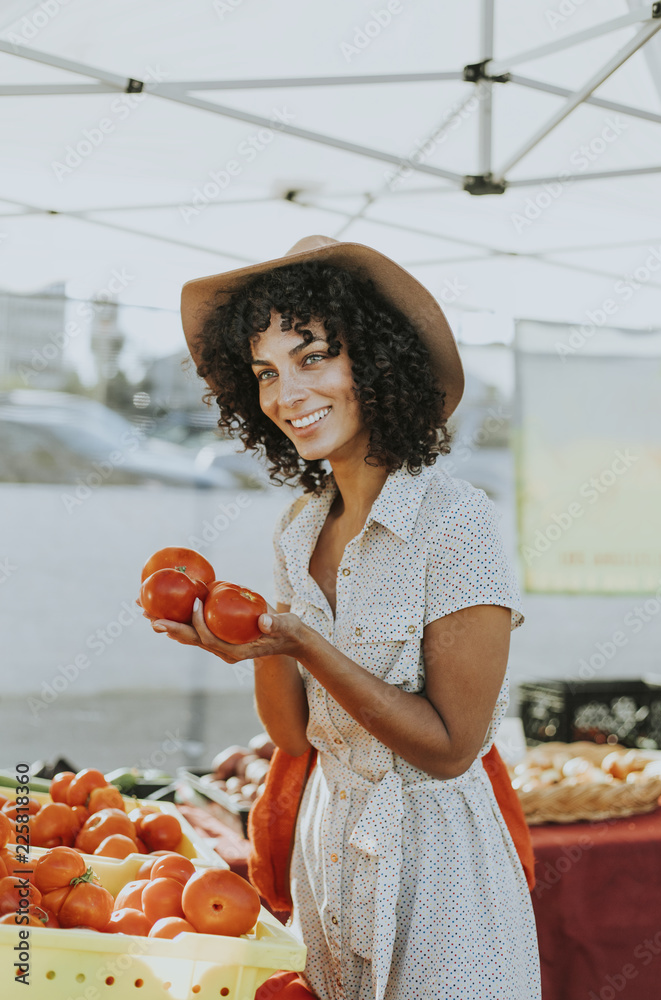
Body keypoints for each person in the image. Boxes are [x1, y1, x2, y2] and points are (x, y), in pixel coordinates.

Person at [149, 235, 541, 999]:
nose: (285, 392)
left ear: (378, 362)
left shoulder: (453, 522)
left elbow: (450, 748)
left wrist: (301, 641)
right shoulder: (300, 526)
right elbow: (294, 736)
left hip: (438, 878)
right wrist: (259, 640)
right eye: (265, 371)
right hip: (328, 853)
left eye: (312, 358)